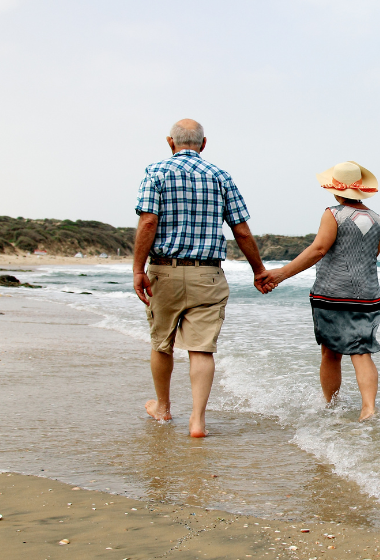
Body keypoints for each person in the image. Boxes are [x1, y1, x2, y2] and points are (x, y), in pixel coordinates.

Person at [132, 119, 271, 437]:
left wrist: (139, 269)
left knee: (161, 343)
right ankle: (197, 420)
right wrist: (258, 270)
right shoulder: (220, 176)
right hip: (207, 273)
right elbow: (241, 229)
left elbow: (148, 222)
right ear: (203, 144)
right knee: (202, 349)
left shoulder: (157, 172)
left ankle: (163, 409)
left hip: (164, 270)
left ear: (170, 142)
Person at [260, 161, 380, 421]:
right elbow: (373, 255)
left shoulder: (334, 213)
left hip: (332, 294)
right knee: (362, 351)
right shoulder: (377, 219)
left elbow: (318, 250)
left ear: (336, 190)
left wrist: (281, 274)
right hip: (369, 296)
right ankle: (368, 408)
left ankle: (330, 405)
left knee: (331, 352)